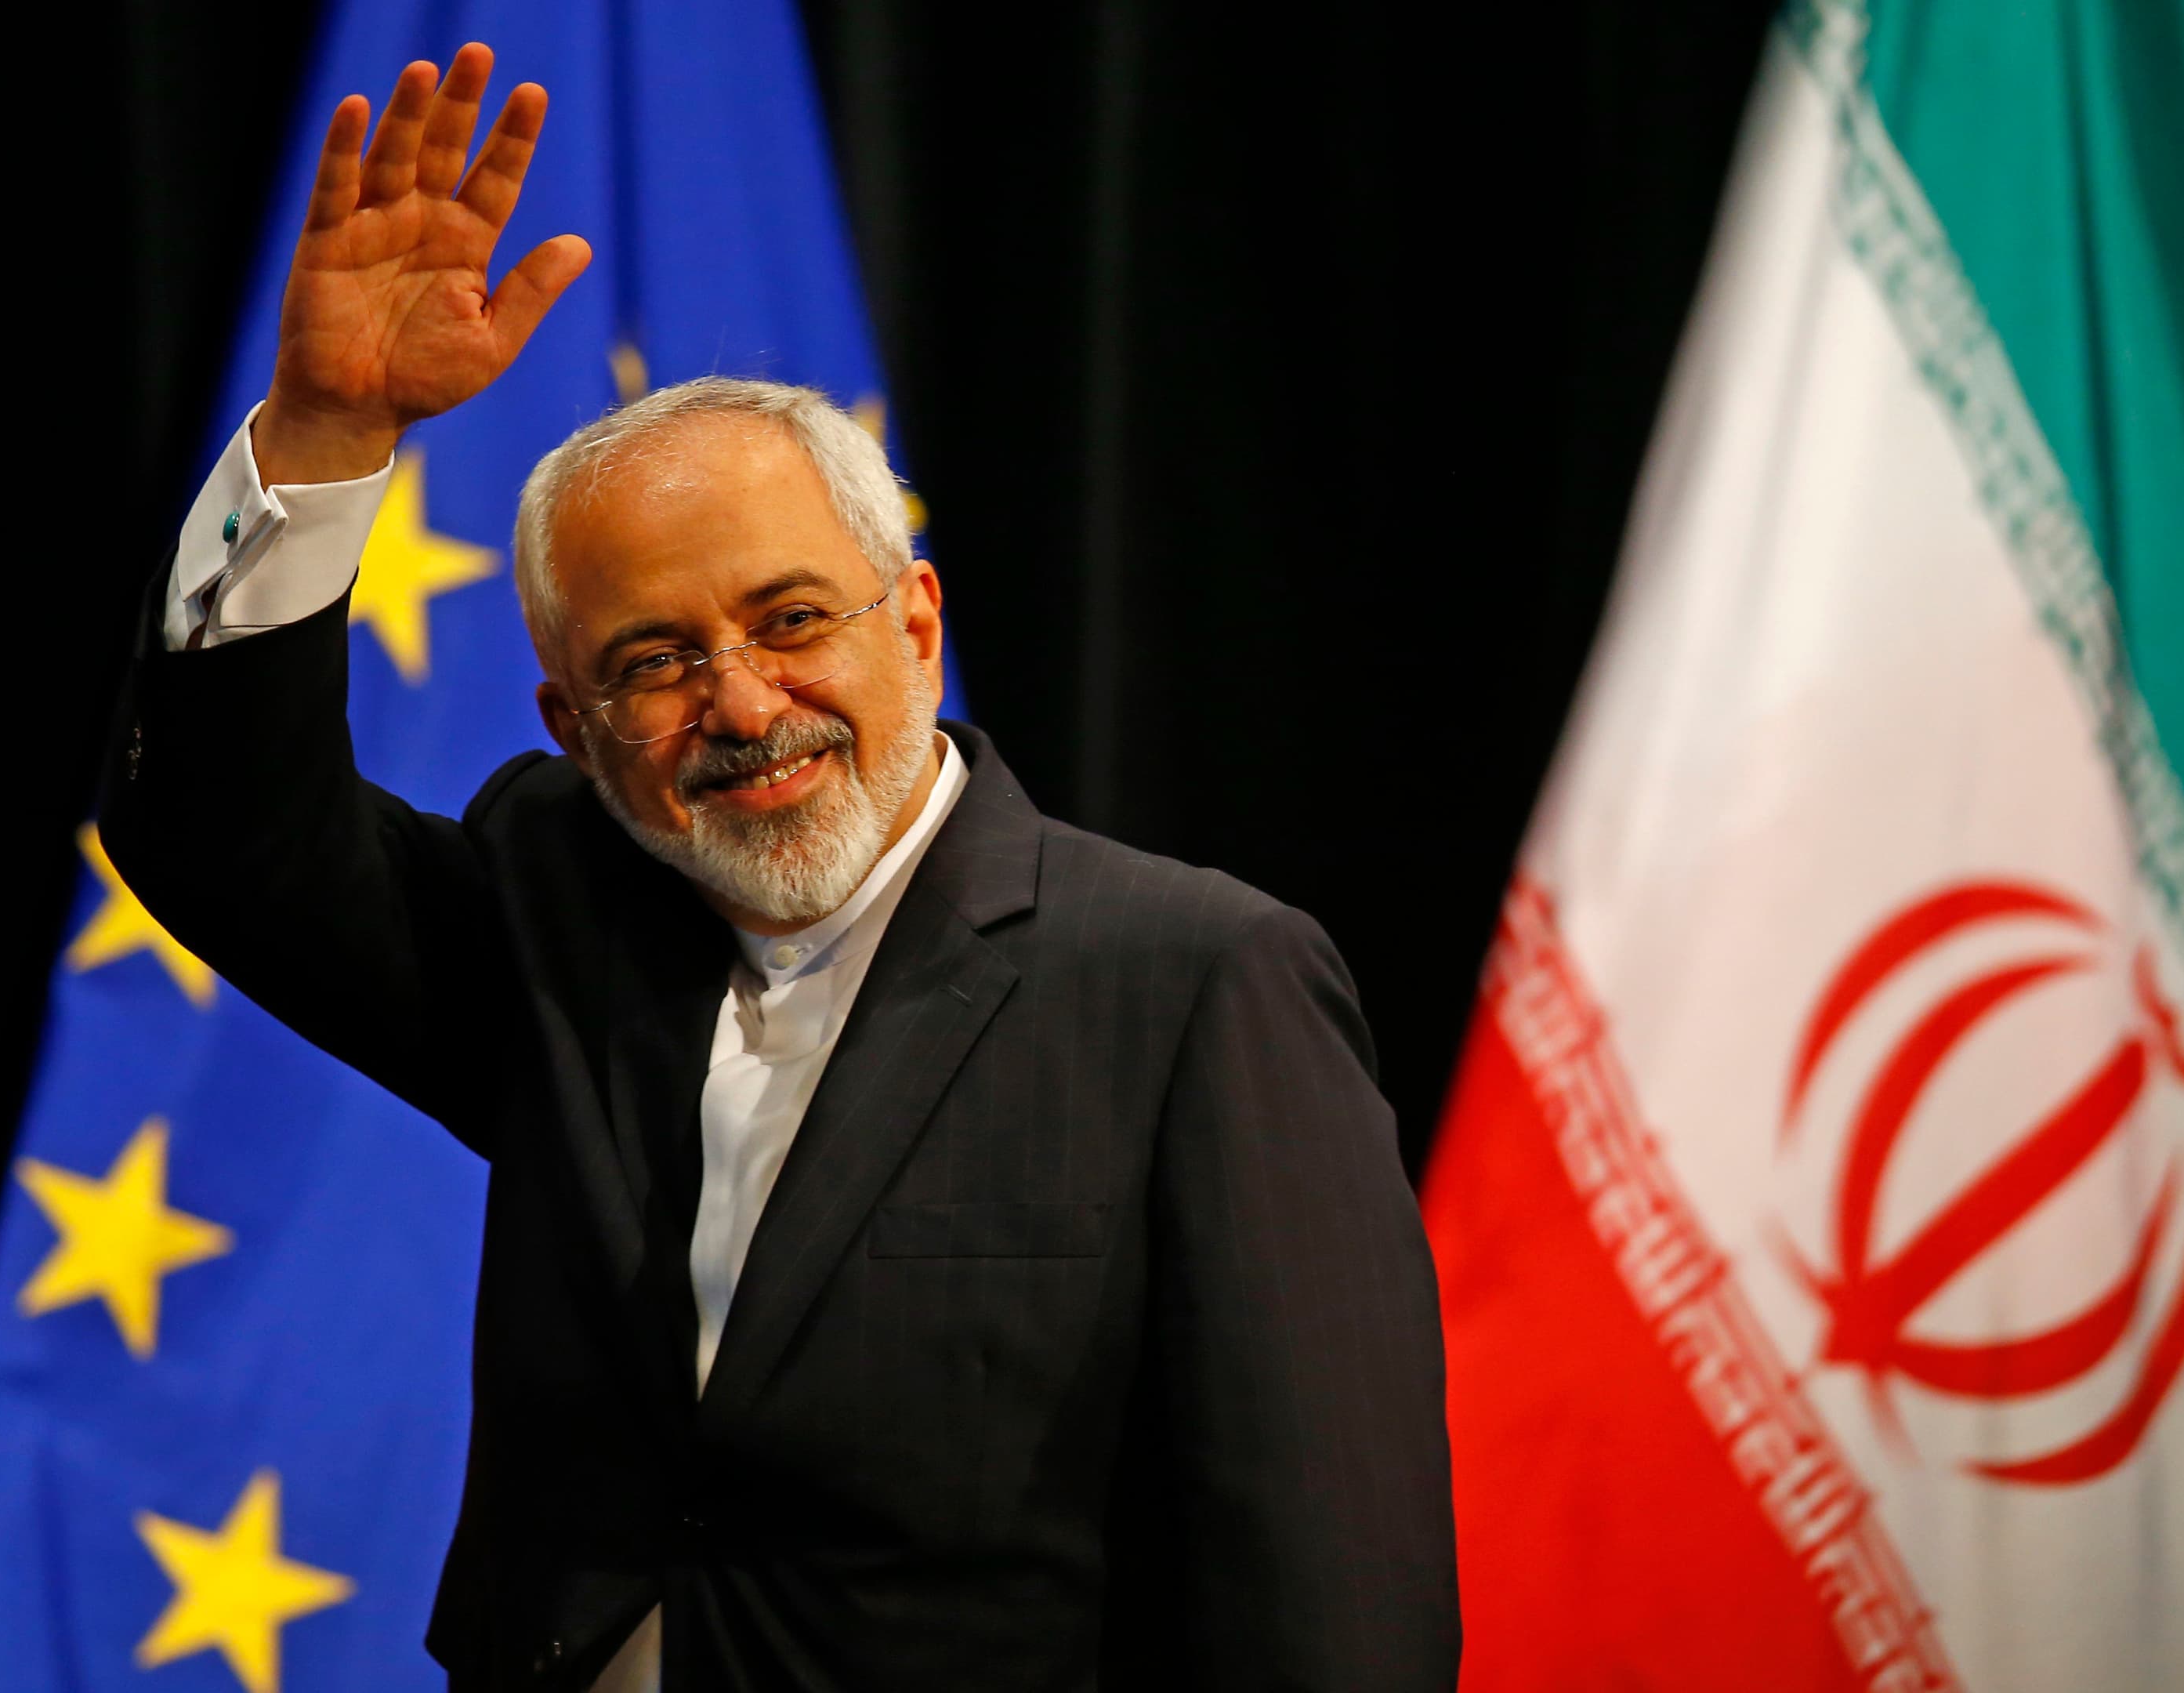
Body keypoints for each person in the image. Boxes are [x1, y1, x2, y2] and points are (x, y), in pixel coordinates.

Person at [103, 42, 1457, 1691]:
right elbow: (221, 837)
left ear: (920, 622)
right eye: (655, 662)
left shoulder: (1190, 982)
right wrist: (321, 438)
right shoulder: (560, 918)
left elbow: (1331, 1592)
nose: (742, 703)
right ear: (573, 722)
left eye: (794, 620)